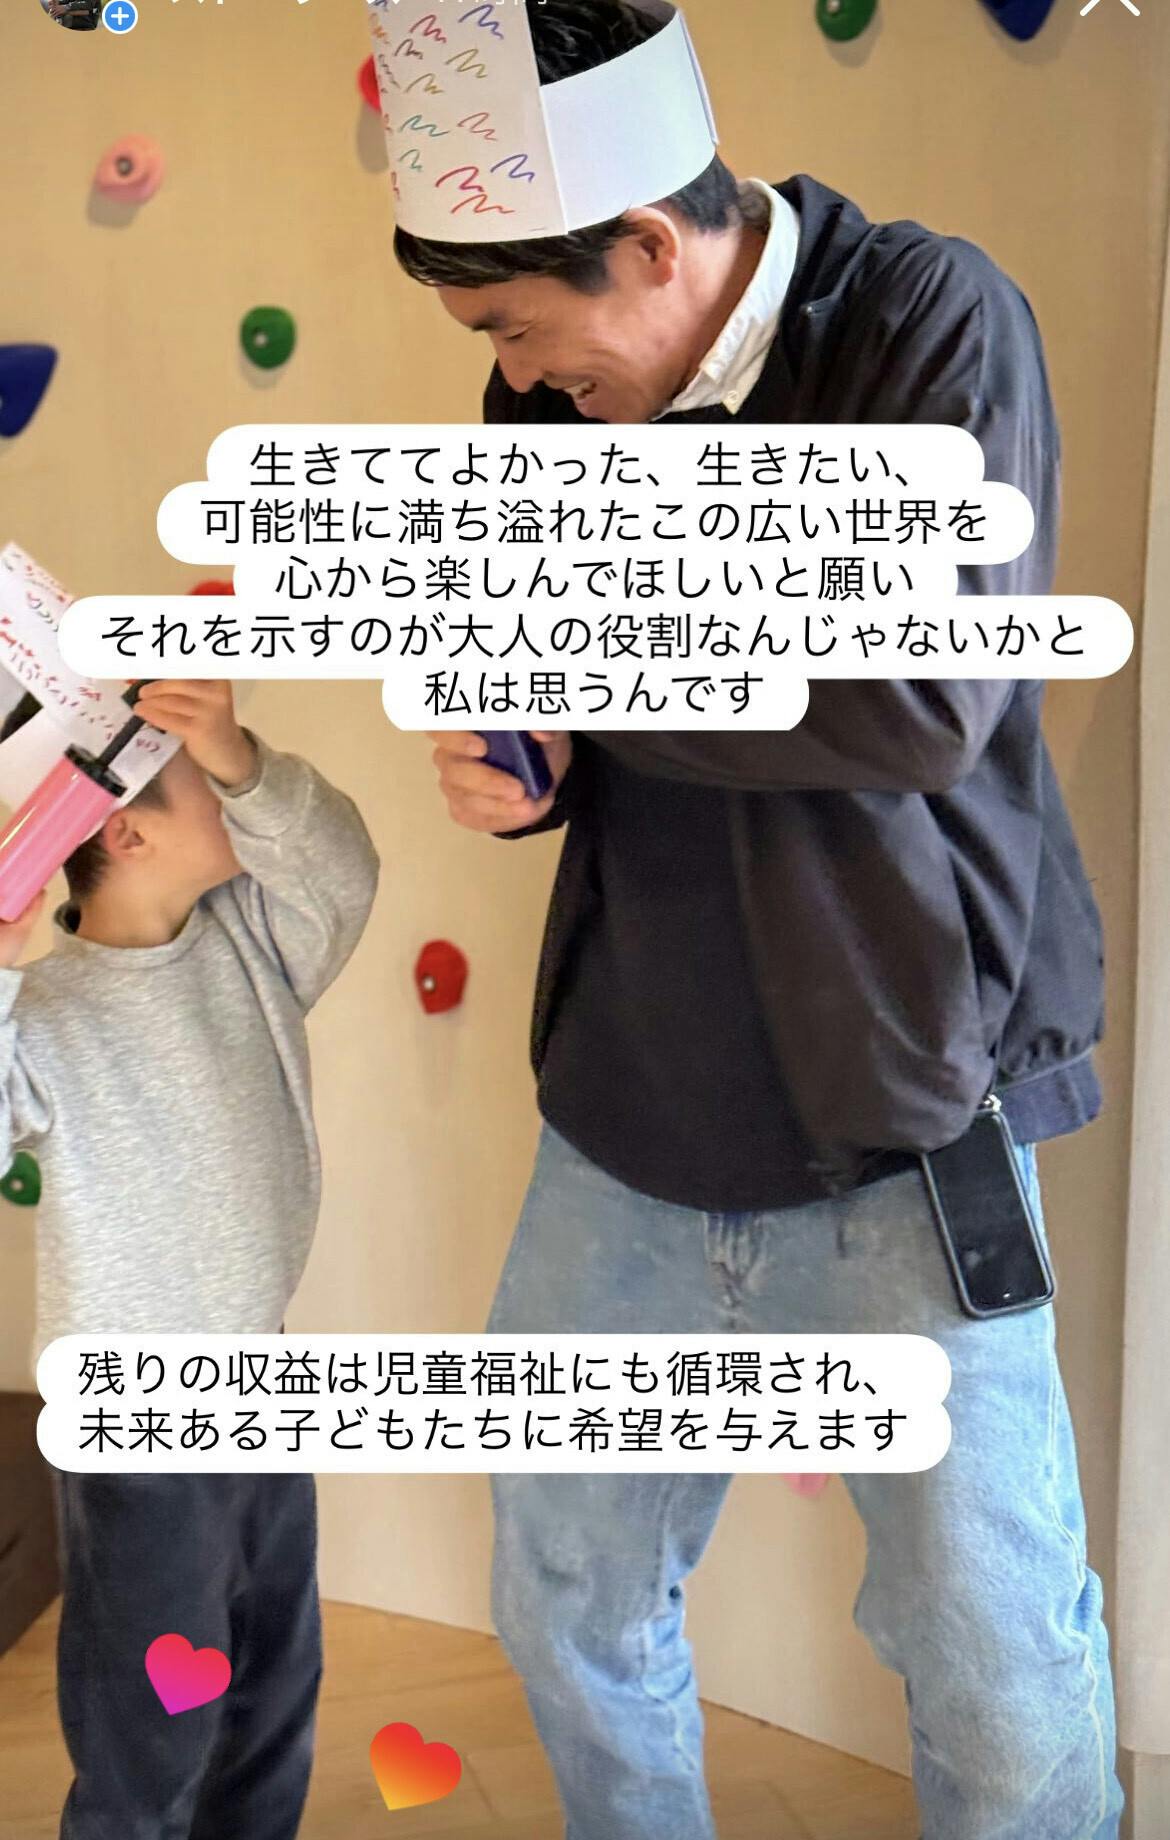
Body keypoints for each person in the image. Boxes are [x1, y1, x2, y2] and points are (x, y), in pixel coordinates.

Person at [396, 2, 1123, 1836]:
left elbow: (916, 691)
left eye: (519, 328)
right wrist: (524, 760)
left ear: (650, 246)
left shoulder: (928, 317)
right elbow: (553, 667)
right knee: (569, 1611)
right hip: (626, 1113)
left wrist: (596, 668)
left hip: (906, 1110)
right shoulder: (554, 403)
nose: (515, 376)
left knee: (993, 1664)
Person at [0, 680, 379, 1839]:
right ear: (127, 832)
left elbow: (341, 867)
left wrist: (239, 752)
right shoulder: (45, 1016)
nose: (229, 794)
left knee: (274, 1683)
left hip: (259, 1379)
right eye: (202, 781)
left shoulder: (253, 941)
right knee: (151, 1719)